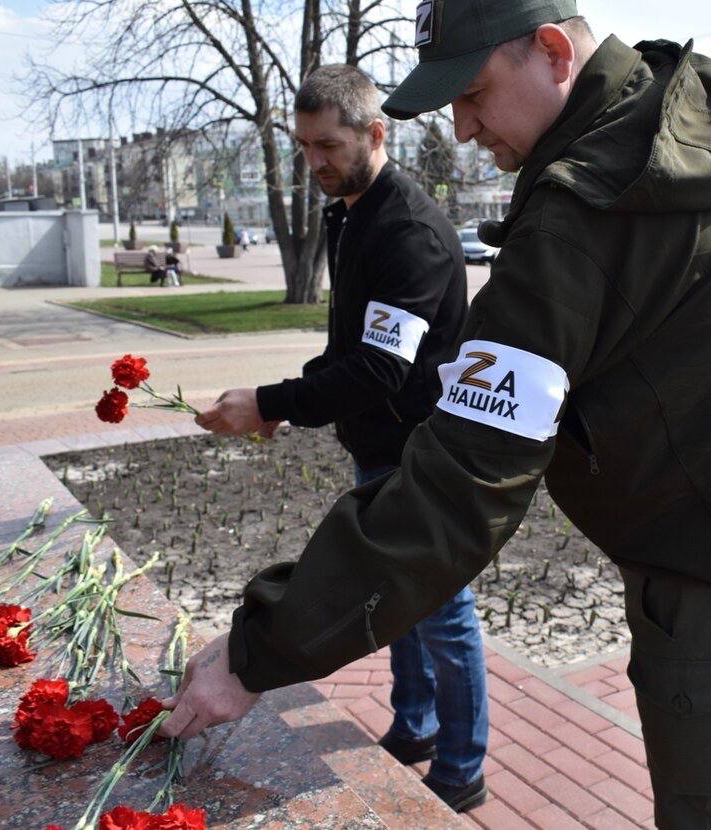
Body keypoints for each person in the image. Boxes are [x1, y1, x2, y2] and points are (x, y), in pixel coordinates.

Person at [160, 5, 711, 827]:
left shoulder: (584, 216)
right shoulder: (688, 97)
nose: (462, 129)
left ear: (554, 52)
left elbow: (462, 486)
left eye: (474, 94)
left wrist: (259, 651)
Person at [190, 66, 489, 811]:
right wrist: (286, 403)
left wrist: (269, 399)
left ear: (375, 133)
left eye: (327, 145)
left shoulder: (409, 231)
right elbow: (348, 347)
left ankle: (462, 769)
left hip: (422, 451)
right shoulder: (349, 212)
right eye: (303, 148)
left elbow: (382, 369)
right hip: (377, 445)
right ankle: (413, 728)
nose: (314, 162)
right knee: (393, 603)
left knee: (443, 616)